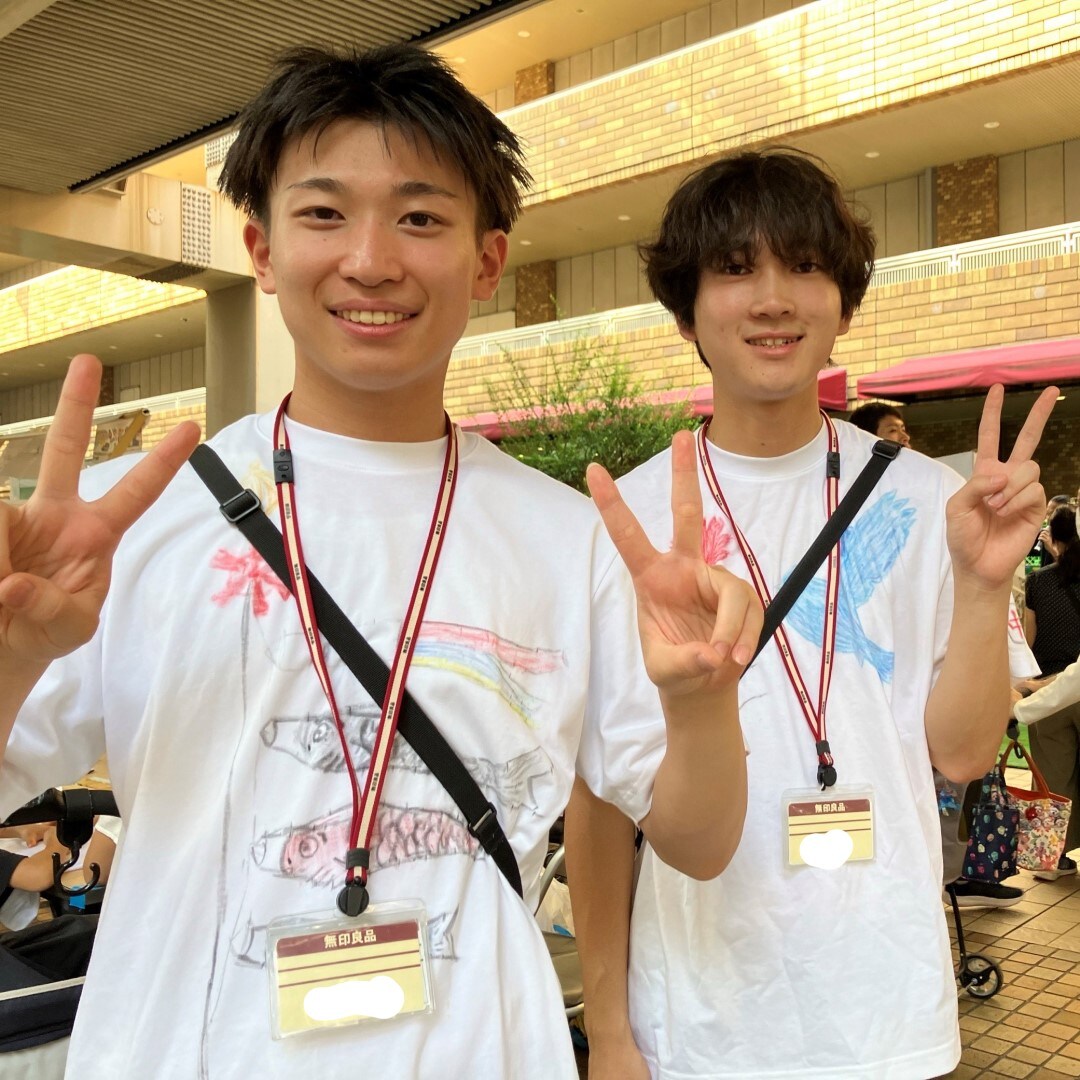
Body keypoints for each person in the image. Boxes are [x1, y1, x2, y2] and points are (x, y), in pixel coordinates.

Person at [0, 46, 759, 1078]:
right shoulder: (132, 521)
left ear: (487, 261)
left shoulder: (565, 536)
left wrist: (704, 703)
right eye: (323, 213)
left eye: (420, 218)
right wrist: (15, 653)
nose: (369, 260)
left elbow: (699, 844)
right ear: (263, 250)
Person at [566, 148, 1056, 1080]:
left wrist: (984, 585)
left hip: (887, 1014)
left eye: (804, 265)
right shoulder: (626, 526)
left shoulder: (929, 500)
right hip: (699, 1027)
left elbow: (962, 755)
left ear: (844, 302)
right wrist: (613, 1033)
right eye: (734, 268)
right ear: (686, 310)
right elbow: (598, 803)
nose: (772, 299)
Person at [1021, 504, 1080, 880]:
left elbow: (1028, 641)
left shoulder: (1038, 582)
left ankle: (1049, 860)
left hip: (1048, 693)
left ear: (1054, 539)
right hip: (1076, 682)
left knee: (1051, 776)